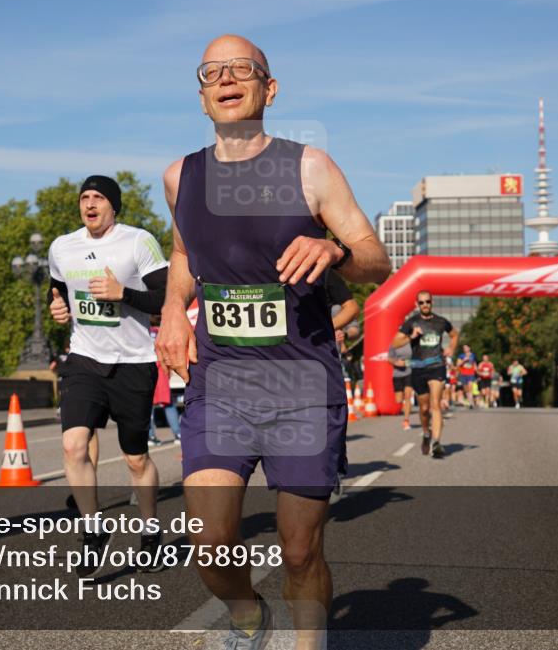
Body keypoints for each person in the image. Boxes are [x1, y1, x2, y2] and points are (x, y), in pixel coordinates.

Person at [155, 35, 390, 650]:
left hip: (302, 386)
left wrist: (335, 248)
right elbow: (184, 250)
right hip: (221, 385)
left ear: (269, 88)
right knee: (208, 543)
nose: (228, 78)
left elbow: (376, 259)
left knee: (299, 548)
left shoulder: (309, 166)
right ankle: (246, 616)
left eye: (243, 69)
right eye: (213, 71)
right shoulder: (181, 176)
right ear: (203, 95)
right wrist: (174, 309)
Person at [46, 174, 169, 577]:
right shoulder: (63, 247)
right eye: (84, 197)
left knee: (135, 458)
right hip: (84, 359)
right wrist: (59, 309)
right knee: (73, 445)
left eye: (98, 197)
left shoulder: (138, 241)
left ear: (113, 205)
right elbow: (58, 291)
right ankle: (93, 529)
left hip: (133, 362)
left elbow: (166, 298)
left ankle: (150, 531)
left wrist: (124, 294)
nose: (90, 203)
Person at [393, 291, 458, 458]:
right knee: (423, 408)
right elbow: (395, 342)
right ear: (417, 304)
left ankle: (437, 442)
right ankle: (426, 433)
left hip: (437, 366)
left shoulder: (441, 322)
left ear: (432, 302)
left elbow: (454, 334)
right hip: (418, 368)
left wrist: (452, 347)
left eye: (427, 302)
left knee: (435, 404)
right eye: (421, 302)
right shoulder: (412, 322)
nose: (425, 305)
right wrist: (411, 336)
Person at [389, 340, 414, 430]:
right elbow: (389, 358)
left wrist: (406, 363)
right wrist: (396, 363)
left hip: (410, 372)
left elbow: (417, 358)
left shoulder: (411, 343)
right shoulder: (393, 344)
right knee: (399, 400)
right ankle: (405, 405)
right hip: (397, 374)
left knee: (408, 396)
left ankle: (406, 420)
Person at [456, 344, 477, 408]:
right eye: (463, 348)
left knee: (470, 387)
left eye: (466, 347)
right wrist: (464, 360)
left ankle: (471, 403)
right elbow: (458, 364)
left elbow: (474, 363)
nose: (464, 349)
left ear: (469, 348)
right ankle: (469, 400)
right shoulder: (461, 356)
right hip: (463, 374)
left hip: (471, 374)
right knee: (466, 389)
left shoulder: (473, 355)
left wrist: (476, 369)